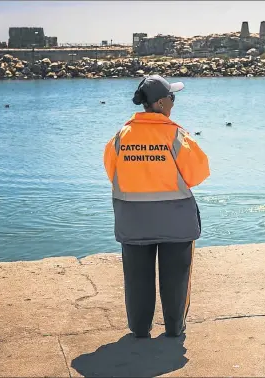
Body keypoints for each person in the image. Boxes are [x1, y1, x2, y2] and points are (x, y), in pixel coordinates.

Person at [103, 75, 210, 338]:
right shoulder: (175, 135)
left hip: (133, 220)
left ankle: (140, 329)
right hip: (175, 221)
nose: (174, 102)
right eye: (172, 97)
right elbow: (198, 173)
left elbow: (111, 171)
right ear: (161, 103)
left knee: (137, 279)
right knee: (177, 279)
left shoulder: (121, 136)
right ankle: (174, 328)